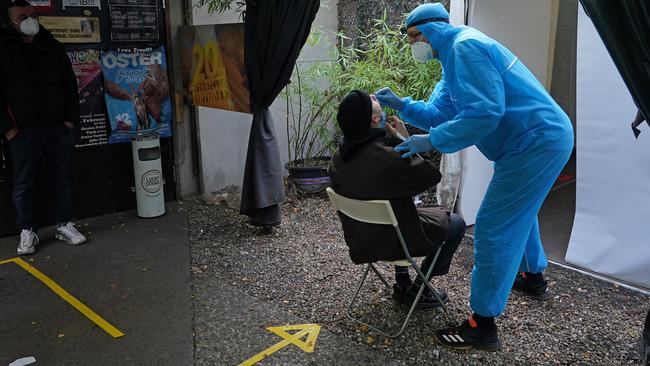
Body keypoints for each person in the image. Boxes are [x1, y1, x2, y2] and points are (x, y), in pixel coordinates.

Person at [375, 3, 573, 351]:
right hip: (529, 142)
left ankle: (482, 326)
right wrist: (403, 105)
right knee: (517, 211)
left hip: (536, 141)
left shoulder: (466, 47)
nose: (412, 46)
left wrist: (432, 140)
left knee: (494, 227)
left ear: (431, 29)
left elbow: (485, 112)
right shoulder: (451, 60)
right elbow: (438, 111)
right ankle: (532, 276)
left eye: (413, 37)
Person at [329, 89, 466, 309]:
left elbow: (384, 174)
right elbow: (430, 175)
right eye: (371, 99)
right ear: (374, 119)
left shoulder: (339, 157)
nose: (374, 97)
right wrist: (404, 138)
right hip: (399, 239)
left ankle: (402, 281)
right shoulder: (387, 158)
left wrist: (391, 137)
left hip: (364, 239)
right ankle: (418, 290)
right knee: (456, 223)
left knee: (398, 207)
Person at [0, 0, 86, 255]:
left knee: (61, 178)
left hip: (56, 128)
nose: (29, 20)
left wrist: (69, 120)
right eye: (22, 16)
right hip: (22, 131)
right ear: (10, 21)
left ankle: (64, 224)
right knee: (24, 182)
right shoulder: (3, 49)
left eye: (32, 15)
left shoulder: (51, 45)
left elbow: (70, 84)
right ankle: (27, 231)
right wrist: (9, 129)